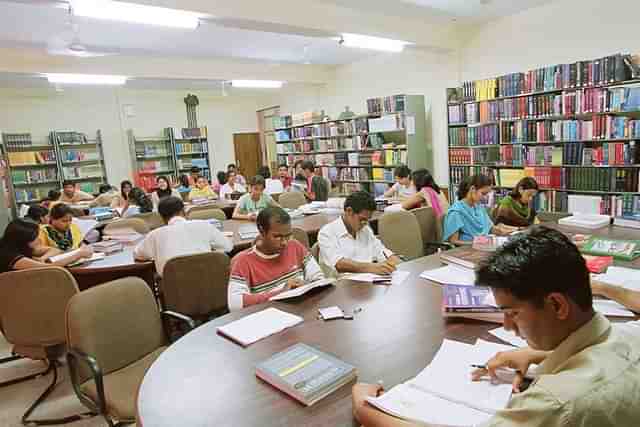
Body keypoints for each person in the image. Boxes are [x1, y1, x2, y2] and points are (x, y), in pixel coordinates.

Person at [352, 226, 640, 427]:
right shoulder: (630, 335)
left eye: (512, 313)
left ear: (557, 305)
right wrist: (537, 355)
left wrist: (366, 409)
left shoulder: (556, 403)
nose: (507, 326)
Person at [227, 207, 325, 311]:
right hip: (269, 316)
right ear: (262, 231)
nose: (284, 242)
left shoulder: (294, 246)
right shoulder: (243, 261)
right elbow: (235, 305)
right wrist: (281, 293)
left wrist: (306, 285)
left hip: (300, 309)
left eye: (288, 235)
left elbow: (319, 278)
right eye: (277, 236)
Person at [134, 196, 232, 276]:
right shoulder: (204, 225)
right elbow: (228, 246)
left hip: (174, 292)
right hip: (210, 284)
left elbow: (137, 254)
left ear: (161, 217)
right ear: (183, 211)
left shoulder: (154, 235)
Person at [318, 191, 401, 277]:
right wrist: (372, 268)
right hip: (343, 285)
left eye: (367, 220)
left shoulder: (365, 230)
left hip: (369, 281)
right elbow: (339, 264)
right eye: (362, 219)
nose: (365, 223)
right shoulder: (327, 233)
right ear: (349, 211)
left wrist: (396, 262)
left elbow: (381, 250)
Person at [0, 219, 92, 273]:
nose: (39, 240)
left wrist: (42, 258)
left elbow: (55, 250)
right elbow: (49, 268)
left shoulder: (20, 246)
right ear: (24, 240)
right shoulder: (9, 255)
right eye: (36, 237)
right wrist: (79, 254)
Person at [443, 174, 514, 245]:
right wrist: (477, 243)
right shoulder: (456, 212)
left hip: (483, 246)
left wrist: (507, 232)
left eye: (487, 194)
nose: (485, 198)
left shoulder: (479, 207)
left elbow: (490, 228)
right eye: (483, 193)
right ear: (472, 189)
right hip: (466, 250)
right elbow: (454, 241)